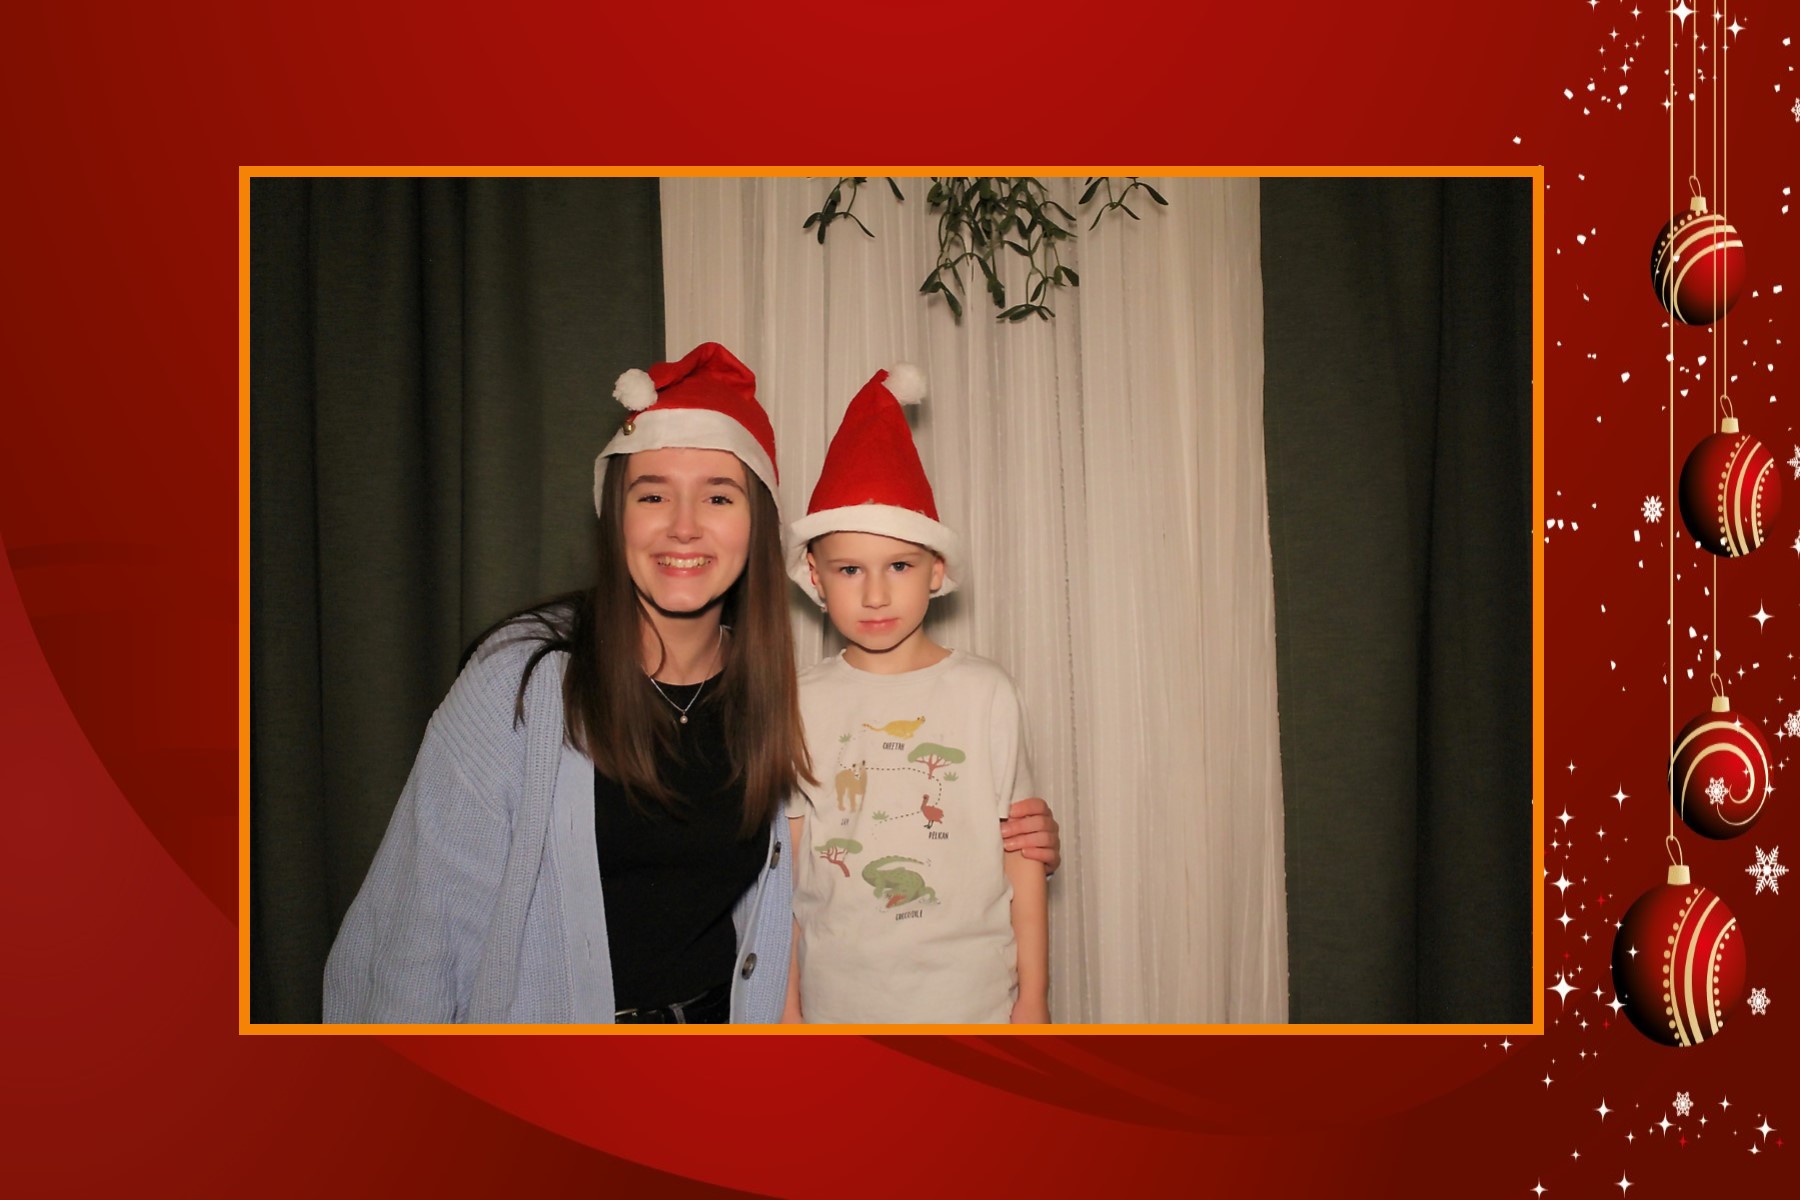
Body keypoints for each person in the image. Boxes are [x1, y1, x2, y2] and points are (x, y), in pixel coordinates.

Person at [323, 342, 1060, 1024]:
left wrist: (1000, 832)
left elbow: (833, 851)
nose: (684, 527)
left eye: (718, 496)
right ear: (614, 514)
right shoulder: (523, 682)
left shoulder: (775, 696)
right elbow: (411, 939)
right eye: (652, 496)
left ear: (756, 523)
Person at [780, 364, 1048, 1024]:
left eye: (898, 565)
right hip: (836, 1008)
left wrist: (1035, 999)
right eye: (850, 569)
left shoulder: (985, 692)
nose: (875, 594)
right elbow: (783, 875)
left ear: (937, 570)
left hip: (973, 1005)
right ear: (814, 576)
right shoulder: (797, 701)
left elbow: (1023, 854)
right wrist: (787, 1014)